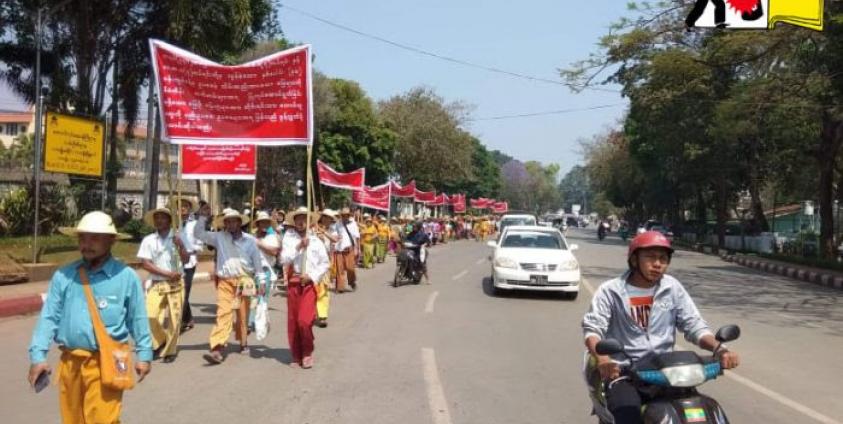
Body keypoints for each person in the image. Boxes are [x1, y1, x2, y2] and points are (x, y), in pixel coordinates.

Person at [582, 231, 740, 424]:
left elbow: (693, 325)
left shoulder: (672, 288)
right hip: (625, 373)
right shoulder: (610, 291)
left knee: (704, 411)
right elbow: (593, 329)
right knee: (627, 416)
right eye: (650, 257)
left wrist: (720, 349)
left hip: (665, 372)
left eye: (663, 259)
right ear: (634, 260)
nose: (657, 264)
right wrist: (603, 359)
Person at [29, 211, 152, 423]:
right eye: (82, 238)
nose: (86, 244)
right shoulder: (64, 276)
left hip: (107, 363)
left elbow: (137, 319)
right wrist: (38, 357)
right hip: (71, 363)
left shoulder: (126, 277)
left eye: (94, 238)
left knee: (103, 420)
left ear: (111, 240)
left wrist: (144, 355)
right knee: (73, 420)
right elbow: (48, 318)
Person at [194, 207, 267, 364]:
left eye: (234, 221)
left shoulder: (250, 240)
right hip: (225, 281)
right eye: (228, 222)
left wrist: (261, 281)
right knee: (223, 313)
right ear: (225, 224)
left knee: (242, 314)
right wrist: (202, 218)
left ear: (240, 223)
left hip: (245, 281)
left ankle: (243, 341)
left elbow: (257, 262)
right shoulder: (219, 237)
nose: (231, 224)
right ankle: (217, 347)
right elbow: (198, 234)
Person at [280, 207, 331, 369]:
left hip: (309, 285)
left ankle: (307, 351)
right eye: (298, 219)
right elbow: (283, 259)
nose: (301, 222)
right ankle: (296, 354)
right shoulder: (289, 238)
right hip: (293, 283)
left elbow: (325, 263)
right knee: (294, 322)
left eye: (304, 219)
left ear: (310, 222)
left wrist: (312, 276)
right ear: (294, 221)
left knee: (304, 321)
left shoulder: (316, 241)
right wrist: (298, 247)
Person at [137, 207, 189, 363]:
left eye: (163, 217)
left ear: (169, 220)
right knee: (149, 315)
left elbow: (186, 260)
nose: (159, 220)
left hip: (176, 284)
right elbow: (145, 264)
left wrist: (181, 246)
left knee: (174, 319)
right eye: (157, 218)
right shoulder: (148, 240)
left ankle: (171, 350)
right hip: (157, 283)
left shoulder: (179, 237)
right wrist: (166, 274)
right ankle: (160, 341)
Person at [172, 197, 202, 333]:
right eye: (180, 206)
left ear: (190, 209)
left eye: (185, 206)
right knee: (178, 290)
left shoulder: (196, 225)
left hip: (189, 262)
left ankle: (181, 322)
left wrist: (189, 251)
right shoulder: (173, 224)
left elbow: (200, 246)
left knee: (184, 291)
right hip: (174, 262)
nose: (182, 208)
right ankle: (188, 318)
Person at [252, 211, 281, 328]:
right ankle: (250, 321)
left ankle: (259, 320)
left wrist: (259, 244)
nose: (264, 225)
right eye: (262, 222)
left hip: (265, 270)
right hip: (251, 271)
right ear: (258, 224)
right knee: (249, 296)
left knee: (261, 297)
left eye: (266, 223)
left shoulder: (272, 237)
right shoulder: (250, 237)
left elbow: (274, 251)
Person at [312, 209, 339, 328]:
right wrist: (317, 234)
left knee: (324, 288)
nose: (328, 220)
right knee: (313, 288)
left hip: (325, 263)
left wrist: (324, 233)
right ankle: (312, 312)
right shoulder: (313, 228)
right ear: (322, 217)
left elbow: (335, 240)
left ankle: (322, 315)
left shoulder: (332, 230)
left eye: (330, 218)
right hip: (313, 262)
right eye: (326, 217)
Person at [332, 207, 359, 293]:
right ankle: (340, 287)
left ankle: (352, 282)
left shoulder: (353, 224)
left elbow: (357, 237)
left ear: (349, 215)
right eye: (343, 215)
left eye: (347, 215)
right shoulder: (337, 224)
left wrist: (357, 248)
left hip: (349, 249)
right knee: (339, 269)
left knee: (350, 268)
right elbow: (333, 234)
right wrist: (336, 236)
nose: (345, 217)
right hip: (339, 249)